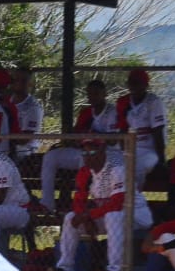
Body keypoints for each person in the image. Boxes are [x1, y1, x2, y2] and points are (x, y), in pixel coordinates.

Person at [53, 139, 151, 271]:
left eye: (92, 151)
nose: (87, 155)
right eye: (84, 152)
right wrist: (85, 219)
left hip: (136, 214)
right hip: (109, 216)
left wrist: (88, 216)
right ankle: (64, 268)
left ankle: (116, 270)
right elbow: (79, 201)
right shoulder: (85, 172)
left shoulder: (116, 168)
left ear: (102, 151)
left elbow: (117, 203)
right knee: (70, 218)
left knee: (113, 216)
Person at [39, 78, 118, 212]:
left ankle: (80, 205)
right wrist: (80, 140)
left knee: (85, 158)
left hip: (106, 154)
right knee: (51, 157)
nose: (92, 96)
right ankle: (47, 203)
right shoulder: (86, 113)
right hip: (83, 150)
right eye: (90, 93)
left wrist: (92, 137)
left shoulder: (112, 112)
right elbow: (75, 137)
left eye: (96, 93)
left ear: (104, 94)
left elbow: (112, 140)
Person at [116, 68, 168, 190]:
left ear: (145, 85)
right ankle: (115, 200)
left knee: (137, 167)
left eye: (137, 82)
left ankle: (133, 200)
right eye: (131, 82)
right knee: (114, 165)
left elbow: (158, 132)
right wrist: (122, 153)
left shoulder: (153, 102)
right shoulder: (123, 102)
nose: (133, 86)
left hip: (149, 150)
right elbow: (122, 131)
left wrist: (161, 159)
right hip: (130, 149)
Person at [9, 67, 44, 171]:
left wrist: (2, 139)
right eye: (16, 79)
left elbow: (24, 139)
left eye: (23, 80)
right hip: (6, 144)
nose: (19, 83)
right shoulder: (7, 99)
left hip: (25, 150)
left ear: (30, 84)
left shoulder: (33, 107)